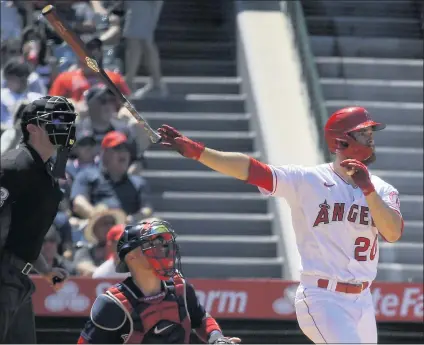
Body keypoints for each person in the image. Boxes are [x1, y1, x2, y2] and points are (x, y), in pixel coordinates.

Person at [158, 106, 404, 344]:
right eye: (363, 133)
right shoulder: (308, 180)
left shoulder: (382, 189)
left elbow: (392, 233)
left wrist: (367, 189)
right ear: (341, 141)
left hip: (363, 299)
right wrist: (199, 152)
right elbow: (251, 169)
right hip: (323, 296)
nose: (370, 139)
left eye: (371, 133)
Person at [78, 219, 241, 344]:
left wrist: (217, 339)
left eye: (163, 245)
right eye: (153, 245)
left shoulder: (181, 289)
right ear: (131, 257)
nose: (163, 250)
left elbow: (201, 319)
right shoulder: (112, 304)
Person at [0, 95, 77, 343]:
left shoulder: (46, 173)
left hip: (17, 279)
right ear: (32, 128)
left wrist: (45, 271)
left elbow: (24, 235)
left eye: (67, 122)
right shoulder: (13, 165)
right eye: (55, 121)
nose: (64, 128)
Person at [71, 131, 153, 222]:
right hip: (96, 229)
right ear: (104, 153)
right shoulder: (87, 175)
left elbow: (147, 210)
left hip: (127, 230)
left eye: (126, 149)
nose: (123, 153)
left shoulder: (138, 183)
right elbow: (78, 203)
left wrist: (130, 219)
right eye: (118, 148)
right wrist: (101, 218)